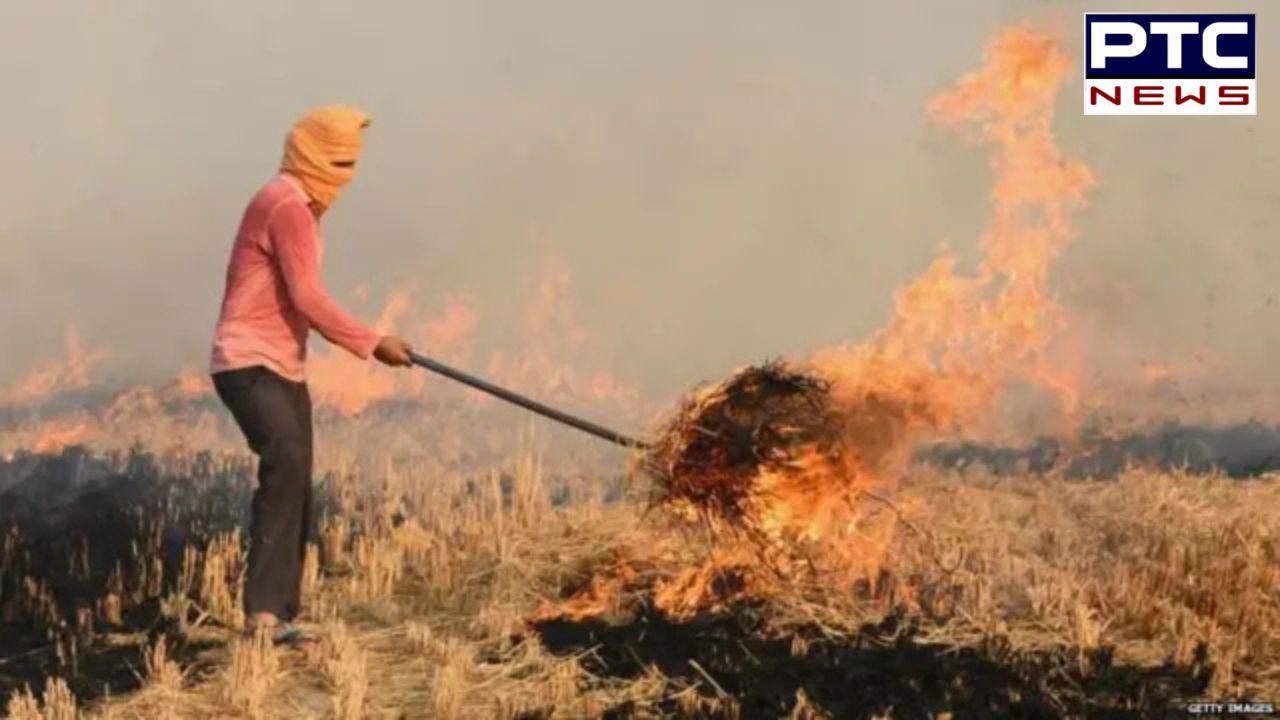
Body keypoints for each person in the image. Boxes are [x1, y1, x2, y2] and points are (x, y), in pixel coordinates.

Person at [208, 105, 413, 643]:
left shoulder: (290, 203)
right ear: (311, 154)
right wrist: (373, 343)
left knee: (296, 478)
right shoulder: (286, 207)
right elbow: (309, 298)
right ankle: (264, 617)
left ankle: (280, 614)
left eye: (353, 163)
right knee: (286, 467)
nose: (346, 175)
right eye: (339, 161)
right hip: (250, 362)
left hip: (279, 364)